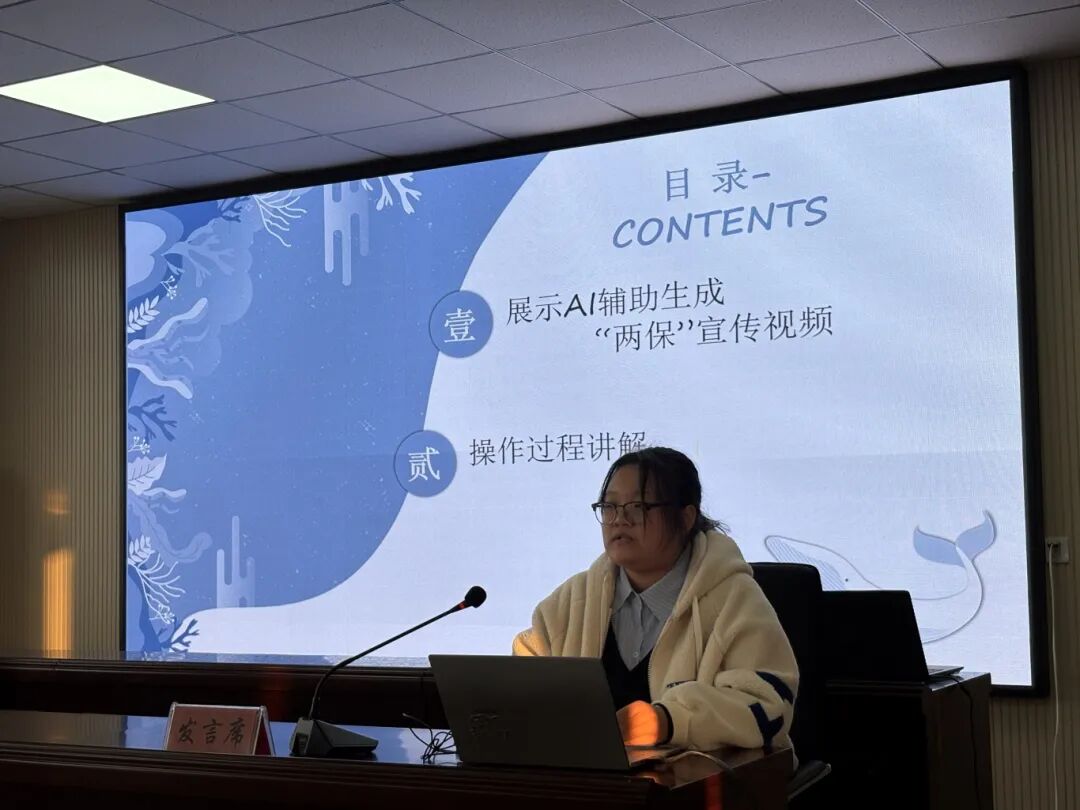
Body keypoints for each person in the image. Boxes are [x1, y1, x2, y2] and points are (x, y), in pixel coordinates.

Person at [513, 447, 799, 752]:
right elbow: (525, 684)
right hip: (589, 775)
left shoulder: (734, 597)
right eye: (609, 506)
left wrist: (670, 721)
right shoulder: (571, 601)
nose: (619, 519)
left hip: (706, 775)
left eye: (638, 506)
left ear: (685, 517)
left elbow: (768, 706)